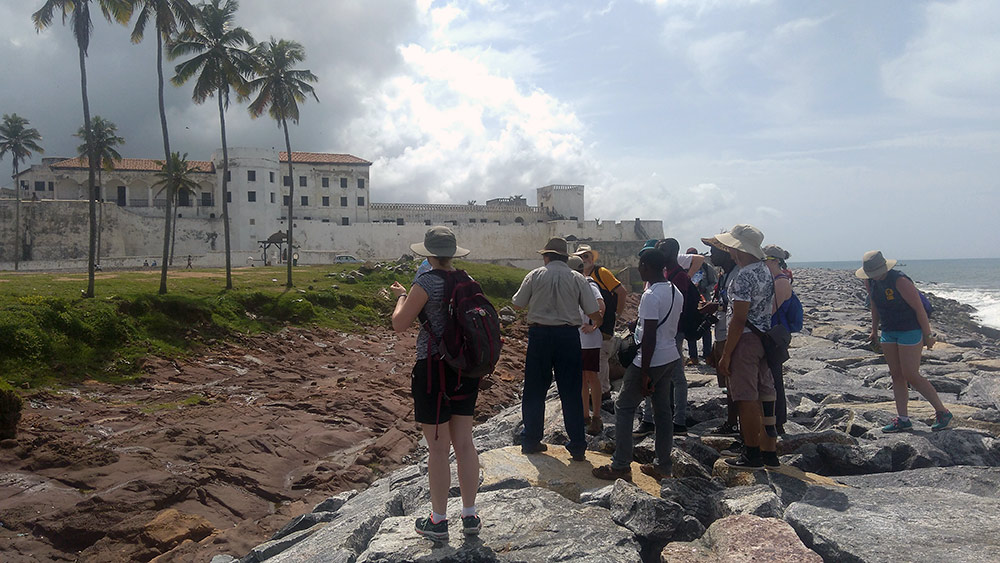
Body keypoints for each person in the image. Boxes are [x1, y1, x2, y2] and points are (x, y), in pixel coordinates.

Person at [389, 226, 482, 541]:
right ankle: (469, 516)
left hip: (433, 370)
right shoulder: (467, 280)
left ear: (428, 254)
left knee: (438, 449)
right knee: (465, 444)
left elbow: (399, 323)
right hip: (465, 371)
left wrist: (401, 296)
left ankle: (439, 521)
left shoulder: (426, 281)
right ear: (453, 254)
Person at [592, 248, 682, 482]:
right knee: (663, 412)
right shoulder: (675, 290)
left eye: (641, 265)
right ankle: (663, 466)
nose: (639, 269)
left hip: (650, 359)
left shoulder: (650, 295)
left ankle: (621, 464)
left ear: (647, 266)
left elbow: (650, 336)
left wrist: (643, 373)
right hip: (670, 356)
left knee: (624, 407)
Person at [512, 237, 602, 461]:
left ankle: (531, 439)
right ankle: (578, 446)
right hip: (568, 336)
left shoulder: (535, 274)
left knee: (534, 389)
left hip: (540, 335)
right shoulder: (577, 278)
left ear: (546, 256)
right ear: (565, 257)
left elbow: (518, 303)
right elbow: (592, 311)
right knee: (571, 391)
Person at [858, 250, 952, 433]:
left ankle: (942, 412)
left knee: (911, 374)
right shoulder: (869, 281)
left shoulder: (900, 280)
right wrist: (873, 330)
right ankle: (903, 419)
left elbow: (919, 309)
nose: (874, 277)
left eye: (876, 273)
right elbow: (875, 305)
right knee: (896, 375)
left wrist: (928, 335)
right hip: (888, 330)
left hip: (910, 330)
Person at [716, 224, 778, 470]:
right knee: (766, 393)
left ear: (739, 249)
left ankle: (751, 453)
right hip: (764, 338)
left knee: (746, 397)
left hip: (746, 340)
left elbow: (739, 318)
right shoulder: (764, 271)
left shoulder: (744, 276)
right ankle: (769, 452)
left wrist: (726, 354)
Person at [636, 238, 691, 437]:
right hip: (666, 335)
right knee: (664, 380)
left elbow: (674, 311)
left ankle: (678, 420)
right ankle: (655, 418)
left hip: (670, 335)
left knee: (675, 378)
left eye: (663, 250)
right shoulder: (666, 278)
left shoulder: (678, 278)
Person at [572, 244, 627, 403]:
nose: (584, 259)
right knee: (591, 361)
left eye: (586, 256)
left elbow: (621, 292)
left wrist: (617, 313)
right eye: (581, 257)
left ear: (592, 258)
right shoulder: (580, 277)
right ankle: (596, 391)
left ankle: (603, 392)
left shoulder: (601, 273)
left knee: (601, 358)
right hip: (587, 327)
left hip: (602, 325)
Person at [702, 237, 741, 437]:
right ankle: (732, 421)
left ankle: (737, 424)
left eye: (714, 251)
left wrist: (714, 306)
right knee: (727, 384)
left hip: (729, 335)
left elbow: (738, 308)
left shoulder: (736, 275)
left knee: (734, 382)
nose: (710, 256)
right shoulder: (725, 275)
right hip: (721, 332)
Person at [569, 255, 606, 435]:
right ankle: (584, 414)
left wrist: (594, 325)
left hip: (588, 339)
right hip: (577, 338)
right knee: (582, 378)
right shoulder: (576, 284)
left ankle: (596, 416)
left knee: (591, 376)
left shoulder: (589, 284)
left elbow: (601, 305)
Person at [762, 244, 793, 434]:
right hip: (769, 333)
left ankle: (778, 420)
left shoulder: (781, 281)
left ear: (773, 260)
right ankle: (770, 419)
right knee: (769, 376)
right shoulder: (773, 278)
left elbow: (770, 310)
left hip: (774, 335)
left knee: (774, 377)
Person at [686, 246, 718, 365]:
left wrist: (705, 288)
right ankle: (693, 356)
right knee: (690, 328)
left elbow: (714, 282)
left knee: (706, 327)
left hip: (705, 302)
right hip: (691, 303)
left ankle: (707, 354)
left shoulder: (706, 267)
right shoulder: (685, 268)